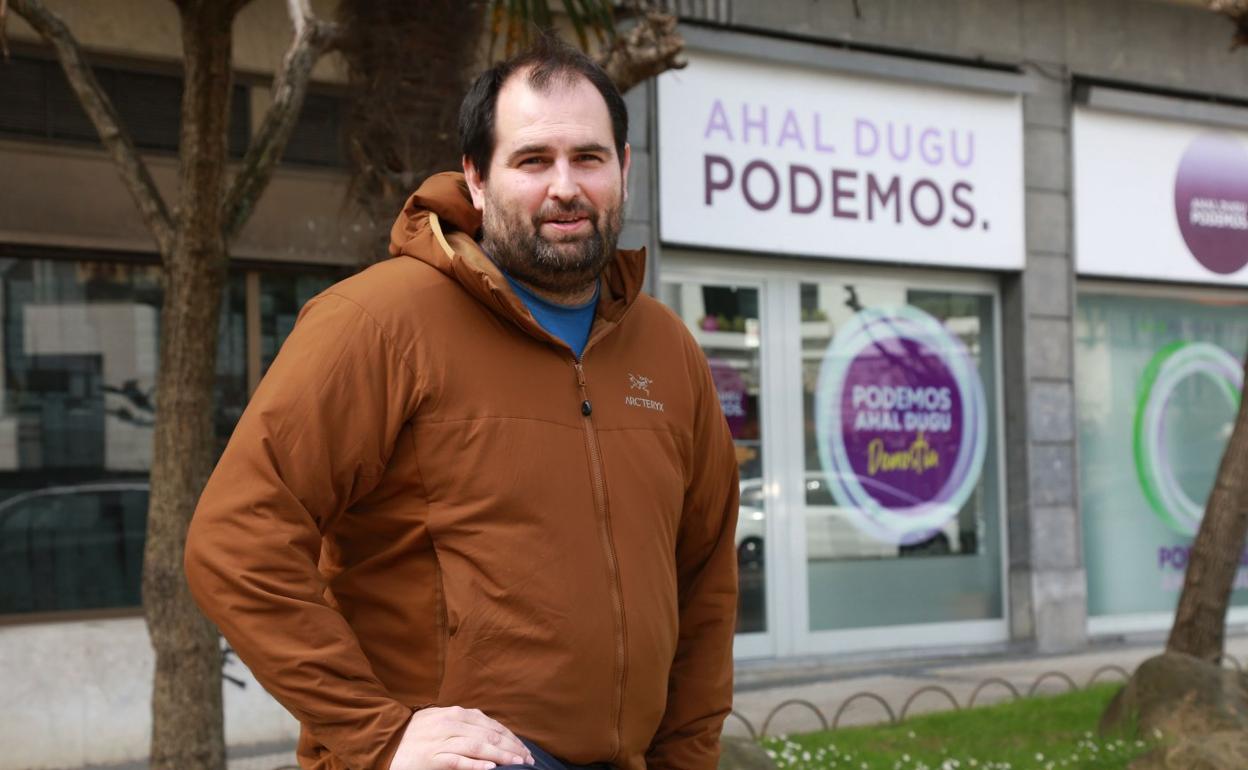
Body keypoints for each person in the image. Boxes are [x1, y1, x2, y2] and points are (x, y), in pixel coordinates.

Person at [185, 34, 739, 770]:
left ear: (625, 170)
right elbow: (236, 540)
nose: (565, 187)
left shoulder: (668, 351)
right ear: (476, 178)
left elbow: (705, 581)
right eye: (533, 160)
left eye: (589, 158)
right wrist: (379, 735)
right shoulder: (378, 321)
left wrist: (687, 758)